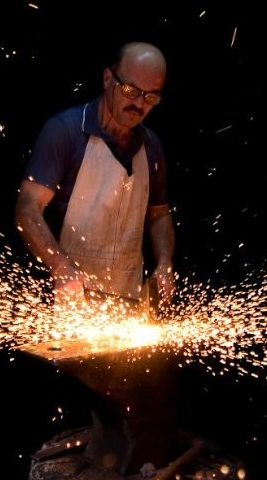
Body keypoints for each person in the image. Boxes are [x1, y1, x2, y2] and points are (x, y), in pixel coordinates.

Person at [15, 41, 176, 311]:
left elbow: (159, 215)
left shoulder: (152, 146)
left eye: (150, 97)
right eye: (130, 91)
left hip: (128, 305)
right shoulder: (65, 132)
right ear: (107, 78)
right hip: (67, 301)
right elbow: (27, 208)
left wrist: (164, 264)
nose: (139, 104)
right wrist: (60, 266)